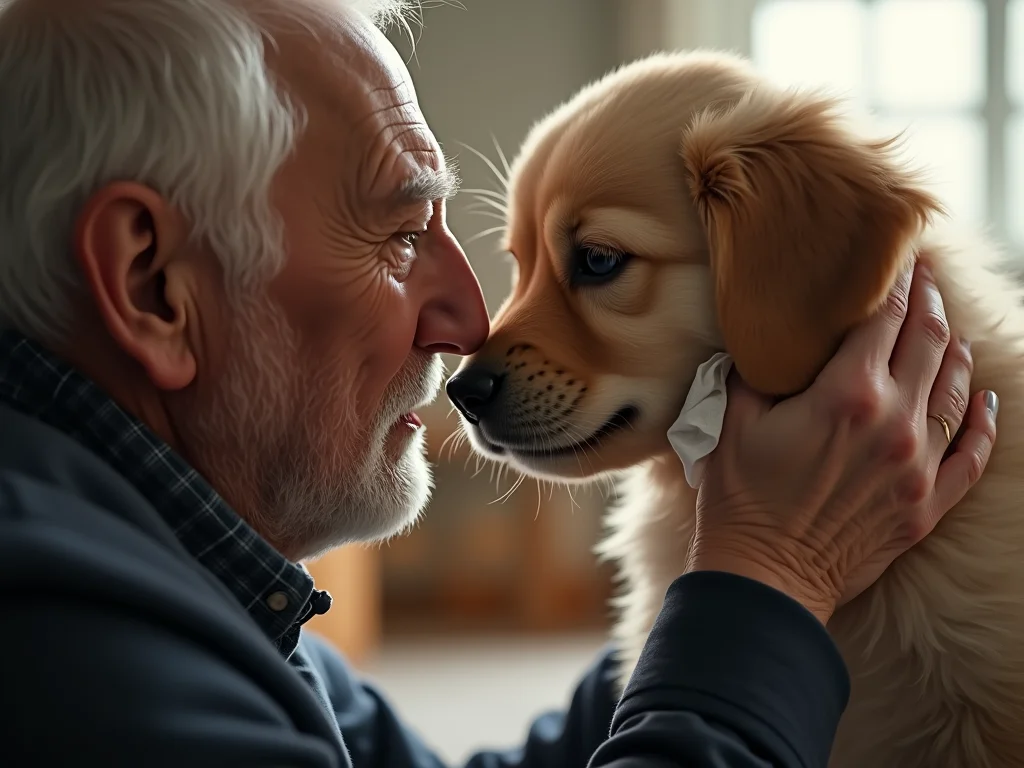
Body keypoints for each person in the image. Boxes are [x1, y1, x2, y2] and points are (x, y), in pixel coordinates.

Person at [0, 0, 997, 766]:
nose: (471, 323)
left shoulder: (167, 579)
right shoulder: (67, 653)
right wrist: (770, 580)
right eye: (398, 237)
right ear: (152, 284)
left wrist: (713, 610)